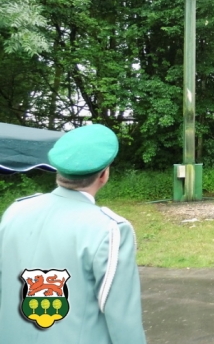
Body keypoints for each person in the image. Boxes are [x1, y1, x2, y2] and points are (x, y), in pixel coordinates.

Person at [0, 124, 147, 344]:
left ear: (58, 170)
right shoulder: (110, 229)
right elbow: (123, 319)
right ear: (104, 175)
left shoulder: (15, 211)